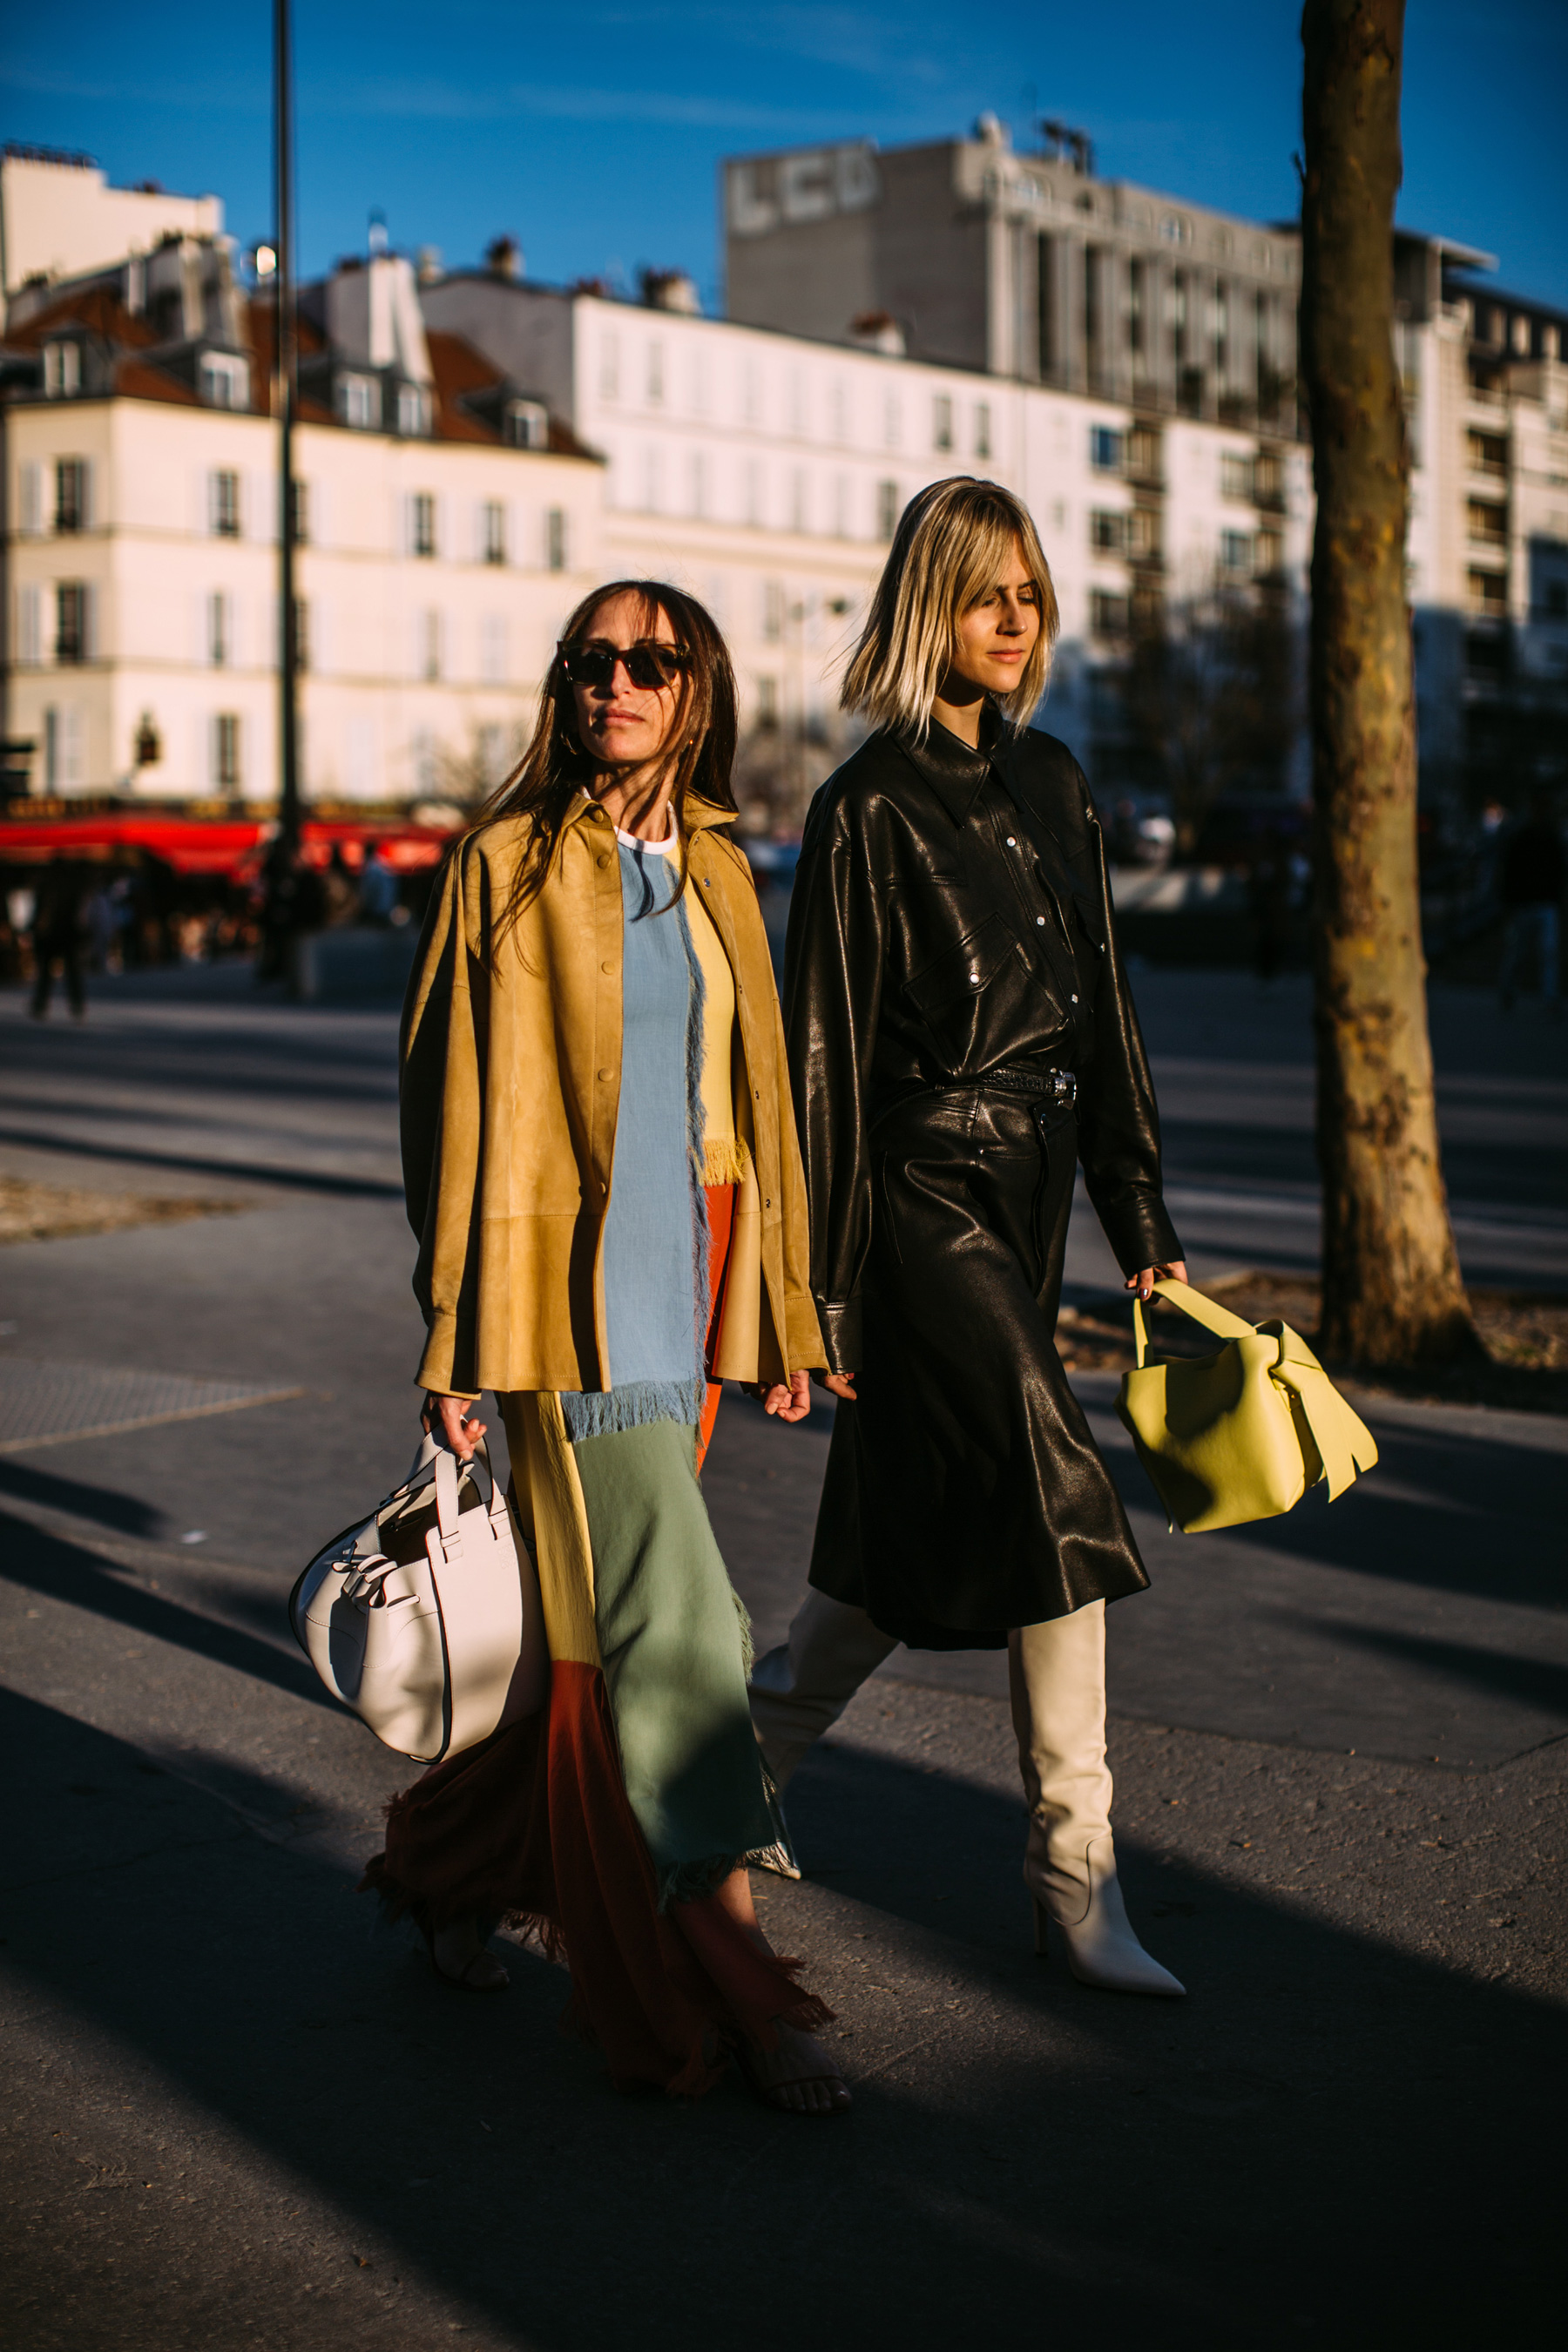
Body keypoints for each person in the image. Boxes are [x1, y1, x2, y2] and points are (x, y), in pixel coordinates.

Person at [363, 580, 849, 2114]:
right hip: (551, 1316)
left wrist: (773, 1309)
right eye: (595, 660)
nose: (618, 683)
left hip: (685, 1297)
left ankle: (444, 1876)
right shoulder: (502, 865)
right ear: (567, 686)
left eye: (653, 661)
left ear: (697, 690)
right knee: (684, 1633)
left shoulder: (714, 869)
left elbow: (754, 1106)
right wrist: (452, 1334)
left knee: (593, 1652)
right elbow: (445, 1113)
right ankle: (742, 1998)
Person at [750, 478, 1188, 1997]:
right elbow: (822, 1063)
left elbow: (1111, 1016)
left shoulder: (1060, 785)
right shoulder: (864, 806)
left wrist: (1145, 1219)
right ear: (925, 604)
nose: (1014, 620)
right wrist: (806, 1302)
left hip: (1037, 1190)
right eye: (984, 592)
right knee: (1055, 1489)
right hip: (925, 1194)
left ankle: (721, 1789)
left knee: (890, 1555)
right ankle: (1078, 1877)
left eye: (1030, 593)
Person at [1497, 790, 1564, 1011]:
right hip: (1528, 902)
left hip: (1543, 901)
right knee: (1520, 951)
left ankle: (1548, 996)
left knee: (1547, 951)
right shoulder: (1525, 837)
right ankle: (1510, 989)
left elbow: (1559, 869)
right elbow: (1511, 870)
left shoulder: (1548, 837)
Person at [29, 862, 89, 1019]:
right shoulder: (71, 884)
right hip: (64, 932)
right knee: (68, 971)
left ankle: (43, 1004)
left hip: (57, 932)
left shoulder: (49, 885)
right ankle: (74, 1005)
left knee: (52, 971)